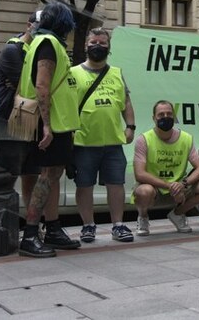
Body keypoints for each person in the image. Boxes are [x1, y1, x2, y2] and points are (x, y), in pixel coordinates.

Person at [17, 2, 81, 258]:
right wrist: (47, 125)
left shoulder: (41, 42)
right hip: (52, 123)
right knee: (47, 177)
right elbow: (42, 86)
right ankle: (30, 235)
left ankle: (52, 228)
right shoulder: (49, 44)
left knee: (52, 175)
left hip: (57, 122)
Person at [71, 28, 136, 243]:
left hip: (113, 141)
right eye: (93, 42)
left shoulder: (116, 73)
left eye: (102, 43)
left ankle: (118, 225)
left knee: (116, 184)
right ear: (86, 45)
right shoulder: (73, 73)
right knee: (84, 185)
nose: (97, 46)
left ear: (109, 47)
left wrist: (130, 127)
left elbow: (126, 102)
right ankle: (88, 226)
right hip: (84, 141)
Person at [132, 100, 199, 235]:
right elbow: (140, 174)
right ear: (154, 118)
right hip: (156, 189)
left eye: (169, 114)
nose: (165, 117)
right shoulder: (144, 139)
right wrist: (169, 186)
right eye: (161, 115)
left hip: (180, 188)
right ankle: (143, 217)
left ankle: (178, 214)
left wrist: (183, 184)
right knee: (143, 192)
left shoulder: (186, 138)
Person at [0, 10, 41, 208]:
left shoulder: (39, 50)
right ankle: (3, 218)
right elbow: (30, 85)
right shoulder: (13, 49)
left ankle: (31, 222)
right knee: (8, 176)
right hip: (12, 121)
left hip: (33, 121)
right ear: (29, 25)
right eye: (40, 25)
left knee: (31, 176)